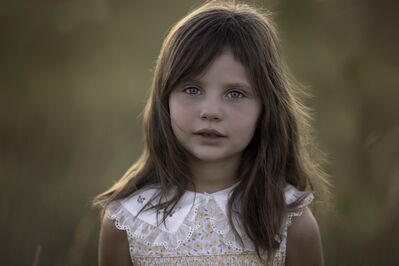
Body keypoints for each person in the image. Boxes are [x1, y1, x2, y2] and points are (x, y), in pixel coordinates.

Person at [93, 1, 329, 265]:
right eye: (192, 89)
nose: (211, 111)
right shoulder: (127, 222)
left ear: (266, 107)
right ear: (165, 98)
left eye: (235, 93)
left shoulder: (290, 222)